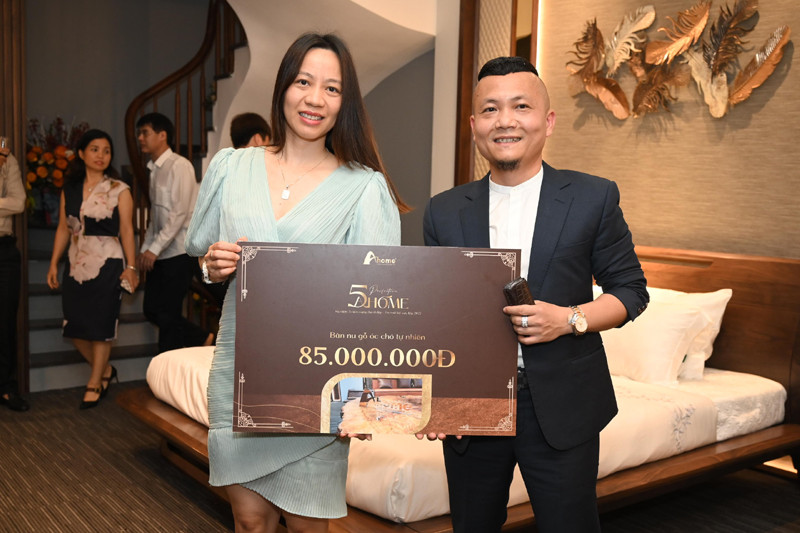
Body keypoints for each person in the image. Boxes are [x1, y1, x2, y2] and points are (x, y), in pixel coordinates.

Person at [186, 32, 407, 533]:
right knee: (248, 522)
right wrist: (211, 267)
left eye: (332, 88)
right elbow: (200, 251)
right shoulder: (231, 167)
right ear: (283, 86)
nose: (315, 98)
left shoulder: (364, 187)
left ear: (345, 103)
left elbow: (379, 308)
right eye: (304, 82)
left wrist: (366, 401)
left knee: (309, 526)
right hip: (240, 371)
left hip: (318, 384)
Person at [421, 57, 649, 533]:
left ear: (548, 121)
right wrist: (435, 399)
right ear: (474, 126)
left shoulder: (592, 197)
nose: (505, 120)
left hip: (562, 404)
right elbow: (436, 316)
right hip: (472, 405)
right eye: (490, 109)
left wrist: (569, 320)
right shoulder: (443, 211)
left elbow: (630, 290)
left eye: (520, 106)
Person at [46, 129, 139, 409]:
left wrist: (131, 267)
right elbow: (64, 228)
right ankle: (106, 370)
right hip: (76, 262)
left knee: (101, 325)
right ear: (82, 153)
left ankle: (95, 381)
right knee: (74, 326)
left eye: (106, 151)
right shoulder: (70, 189)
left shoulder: (120, 189)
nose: (101, 155)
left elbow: (127, 230)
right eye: (95, 149)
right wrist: (53, 262)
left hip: (109, 263)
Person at [135, 112, 211, 352]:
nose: (140, 138)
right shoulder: (154, 169)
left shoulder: (180, 166)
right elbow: (156, 217)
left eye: (145, 133)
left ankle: (165, 369)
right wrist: (146, 249)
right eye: (139, 133)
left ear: (162, 135)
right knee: (152, 309)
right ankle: (202, 338)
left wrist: (154, 249)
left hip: (179, 251)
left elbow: (179, 214)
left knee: (168, 314)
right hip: (160, 253)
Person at [0, 138, 29, 412]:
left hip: (4, 250)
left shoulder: (6, 158)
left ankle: (6, 387)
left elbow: (18, 202)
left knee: (6, 321)